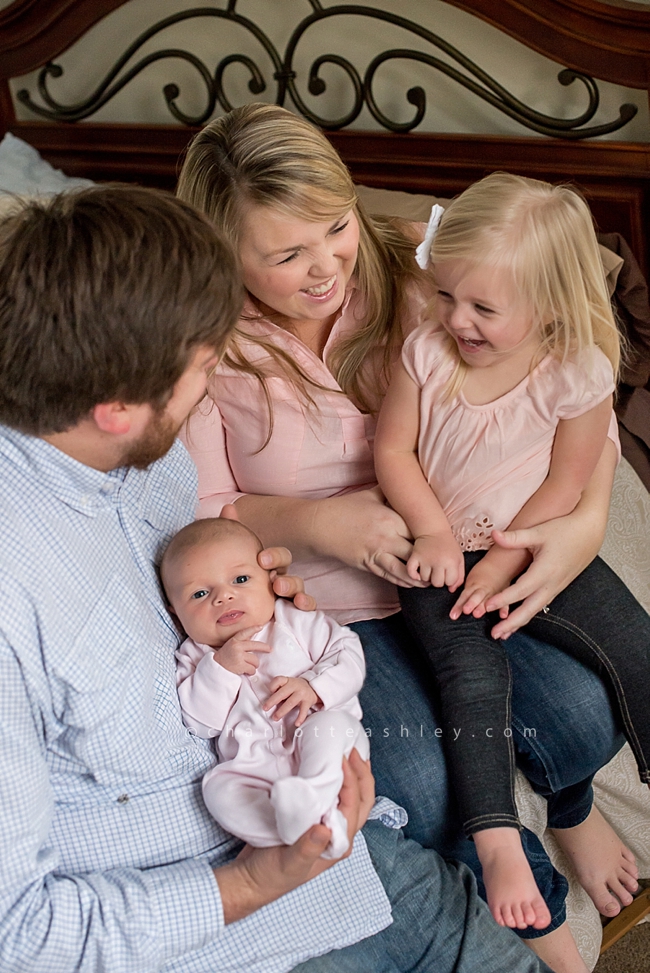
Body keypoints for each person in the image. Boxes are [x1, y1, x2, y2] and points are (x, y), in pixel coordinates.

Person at [0, 184, 557, 973]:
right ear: (119, 407)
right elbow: (20, 935)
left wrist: (256, 598)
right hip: (216, 931)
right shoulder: (13, 591)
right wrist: (259, 879)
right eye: (202, 368)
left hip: (343, 855)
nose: (212, 380)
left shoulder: (147, 467)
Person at [176, 103, 645, 973]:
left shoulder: (421, 273)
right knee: (423, 785)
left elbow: (569, 396)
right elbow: (207, 513)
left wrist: (578, 527)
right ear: (222, 255)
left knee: (582, 714)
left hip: (465, 556)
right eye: (287, 255)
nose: (326, 268)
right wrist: (322, 522)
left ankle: (571, 802)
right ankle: (529, 900)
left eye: (335, 226)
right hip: (342, 599)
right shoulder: (208, 348)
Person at [374, 172, 650, 937]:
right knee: (472, 683)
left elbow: (567, 483)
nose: (457, 318)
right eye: (446, 294)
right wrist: (432, 532)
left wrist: (502, 562)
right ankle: (497, 837)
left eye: (483, 307)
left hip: (535, 541)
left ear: (551, 305)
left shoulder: (579, 371)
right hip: (437, 559)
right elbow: (392, 448)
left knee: (634, 642)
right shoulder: (427, 351)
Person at [163, 516, 369, 858]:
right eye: (200, 593)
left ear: (272, 581)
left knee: (333, 727)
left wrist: (314, 688)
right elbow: (201, 722)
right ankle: (289, 825)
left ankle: (314, 802)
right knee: (218, 790)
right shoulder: (195, 657)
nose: (224, 596)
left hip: (320, 741)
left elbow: (348, 653)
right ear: (175, 613)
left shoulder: (295, 621)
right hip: (253, 765)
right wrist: (220, 669)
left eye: (240, 579)